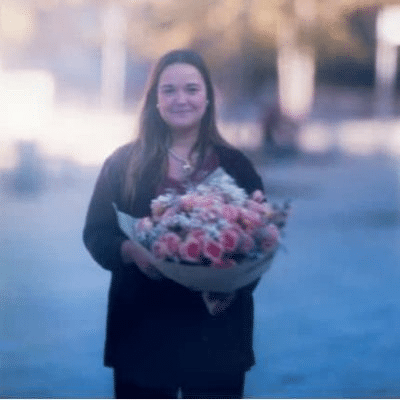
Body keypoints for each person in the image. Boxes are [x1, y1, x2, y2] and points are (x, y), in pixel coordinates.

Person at [83, 49, 264, 399]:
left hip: (216, 335)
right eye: (169, 90)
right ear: (155, 100)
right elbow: (96, 232)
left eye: (191, 89)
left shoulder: (236, 166)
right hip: (142, 332)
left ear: (208, 97)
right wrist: (129, 250)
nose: (181, 99)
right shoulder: (123, 164)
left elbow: (257, 242)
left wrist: (226, 283)